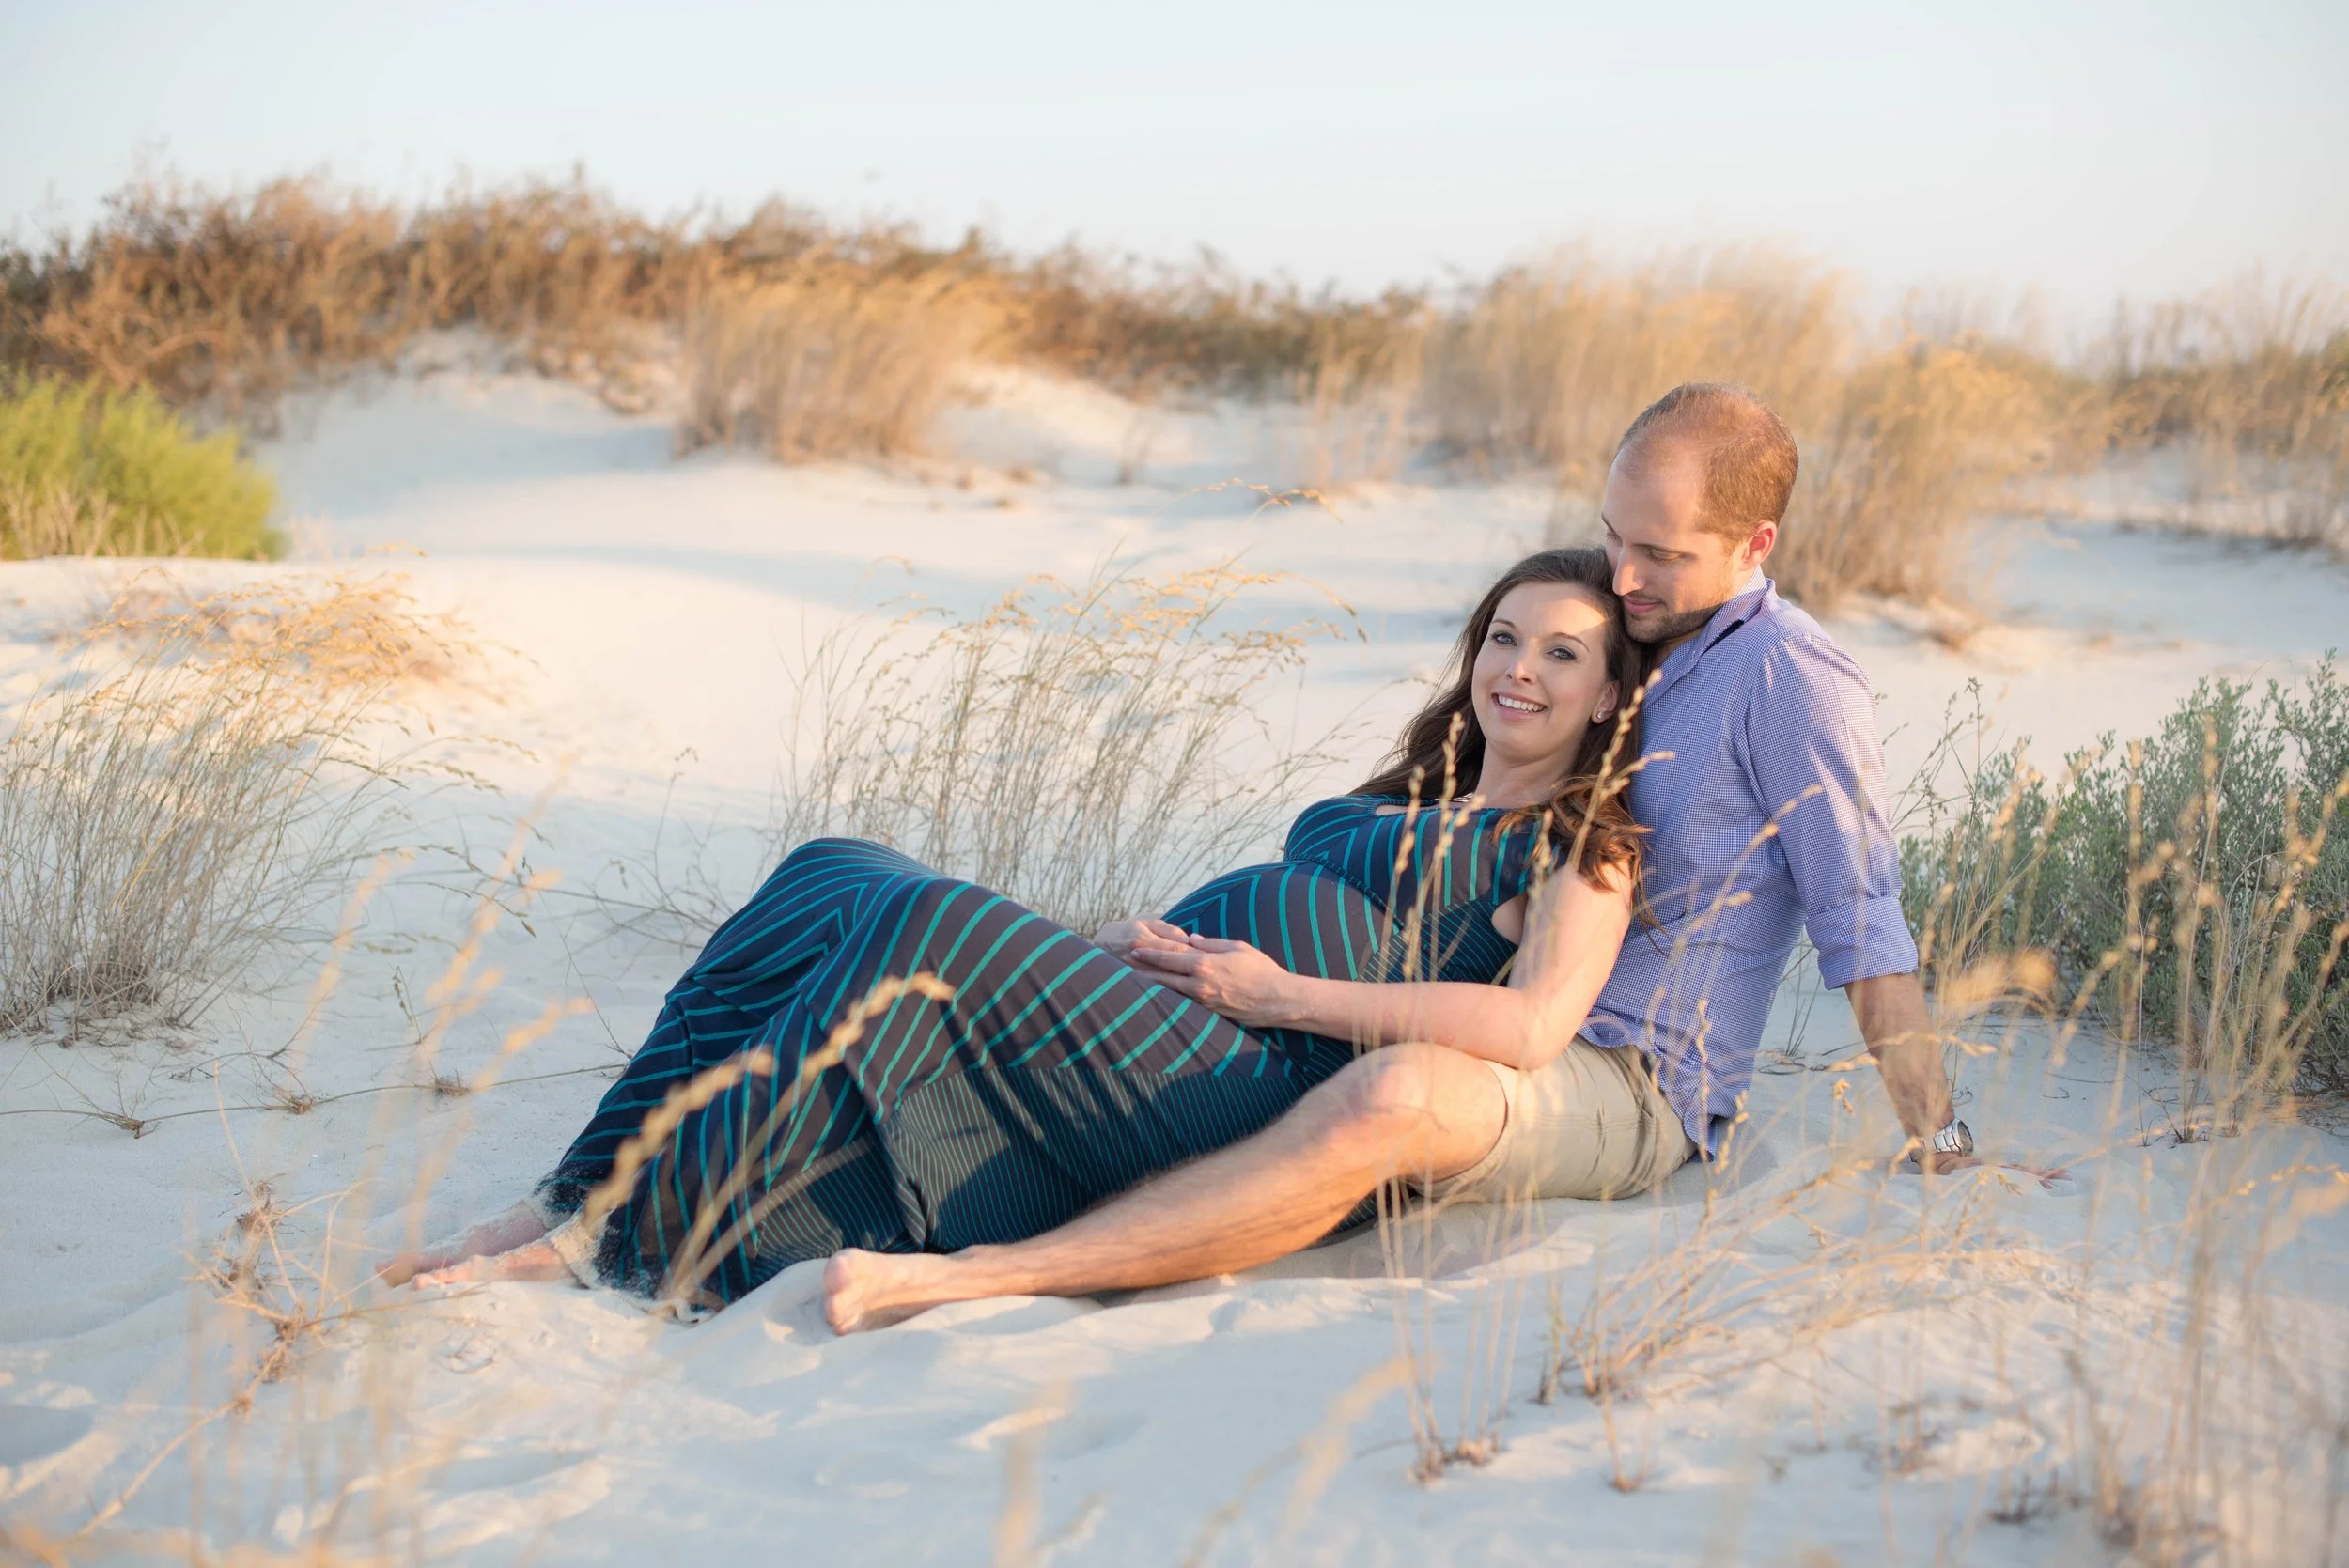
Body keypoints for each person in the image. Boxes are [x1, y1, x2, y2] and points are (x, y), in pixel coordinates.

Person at [812, 382, 1966, 1334]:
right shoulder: (1652, 637)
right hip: (1484, 1004)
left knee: (1393, 1094)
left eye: (1658, 555)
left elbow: (1859, 922)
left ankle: (983, 1278)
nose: (1621, 578)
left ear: (1755, 544)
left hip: (1623, 1076)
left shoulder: (1792, 679)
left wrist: (1945, 1143)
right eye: (1613, 537)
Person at [379, 546, 1658, 1311]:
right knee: (836, 870)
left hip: (1268, 1081)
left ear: (1608, 693)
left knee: (930, 921)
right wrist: (1134, 948)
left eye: (1562, 653)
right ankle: (580, 1186)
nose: (1522, 670)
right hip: (1183, 1024)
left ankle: (632, 1246)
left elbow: (1534, 1022)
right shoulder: (1414, 793)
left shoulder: (1578, 844)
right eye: (1504, 637)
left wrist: (1283, 993)